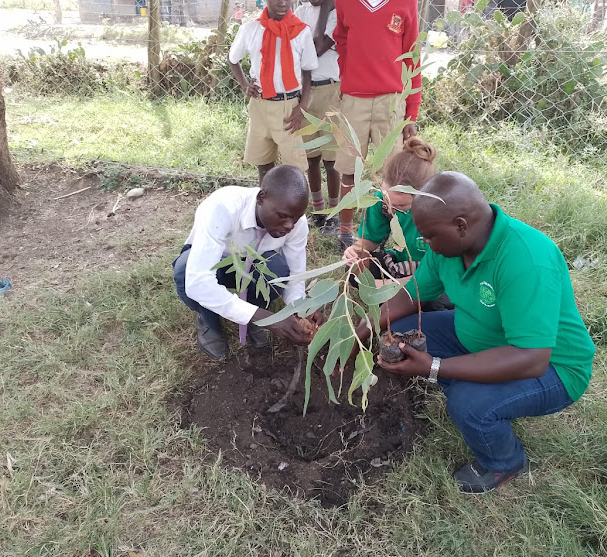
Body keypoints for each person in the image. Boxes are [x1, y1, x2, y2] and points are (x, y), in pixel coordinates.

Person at [357, 172, 596, 493]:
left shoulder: (526, 261)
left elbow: (531, 359)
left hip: (553, 367)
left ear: (460, 225)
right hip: (484, 336)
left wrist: (433, 367)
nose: (424, 243)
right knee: (401, 330)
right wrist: (365, 327)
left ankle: (505, 461)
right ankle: (479, 382)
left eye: (429, 237)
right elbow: (411, 293)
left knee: (467, 403)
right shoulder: (448, 250)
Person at [173, 165, 318, 359]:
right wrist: (268, 319)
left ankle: (252, 313)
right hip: (218, 263)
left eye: (296, 218)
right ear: (261, 198)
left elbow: (296, 275)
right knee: (185, 272)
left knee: (278, 270)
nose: (290, 225)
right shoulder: (223, 207)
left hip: (254, 263)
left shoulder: (295, 222)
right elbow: (198, 282)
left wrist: (299, 310)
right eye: (282, 216)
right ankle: (207, 318)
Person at [333, 0, 422, 251]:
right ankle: (345, 231)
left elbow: (412, 57)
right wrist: (347, 74)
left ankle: (394, 234)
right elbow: (341, 39)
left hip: (391, 101)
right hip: (353, 99)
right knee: (349, 169)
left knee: (393, 175)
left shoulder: (407, 3)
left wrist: (411, 112)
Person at [229, 0, 319, 185]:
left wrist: (301, 107)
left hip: (288, 107)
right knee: (263, 165)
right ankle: (266, 209)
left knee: (295, 169)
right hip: (260, 105)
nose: (283, 3)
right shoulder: (251, 29)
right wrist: (245, 85)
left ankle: (295, 213)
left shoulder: (301, 31)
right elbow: (233, 59)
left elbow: (307, 72)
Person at [343, 137, 435, 280]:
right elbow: (370, 240)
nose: (391, 209)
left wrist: (396, 289)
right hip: (403, 263)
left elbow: (442, 271)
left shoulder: (439, 213)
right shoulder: (379, 200)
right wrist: (355, 251)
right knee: (355, 269)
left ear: (424, 195)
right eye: (387, 201)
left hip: (434, 274)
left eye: (401, 206)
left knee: (437, 302)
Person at [294, 0, 341, 234]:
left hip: (330, 92)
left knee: (332, 159)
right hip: (305, 91)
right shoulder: (301, 11)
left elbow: (318, 47)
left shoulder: (336, 13)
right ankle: (319, 208)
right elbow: (297, 49)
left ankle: (334, 212)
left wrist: (325, 10)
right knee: (311, 155)